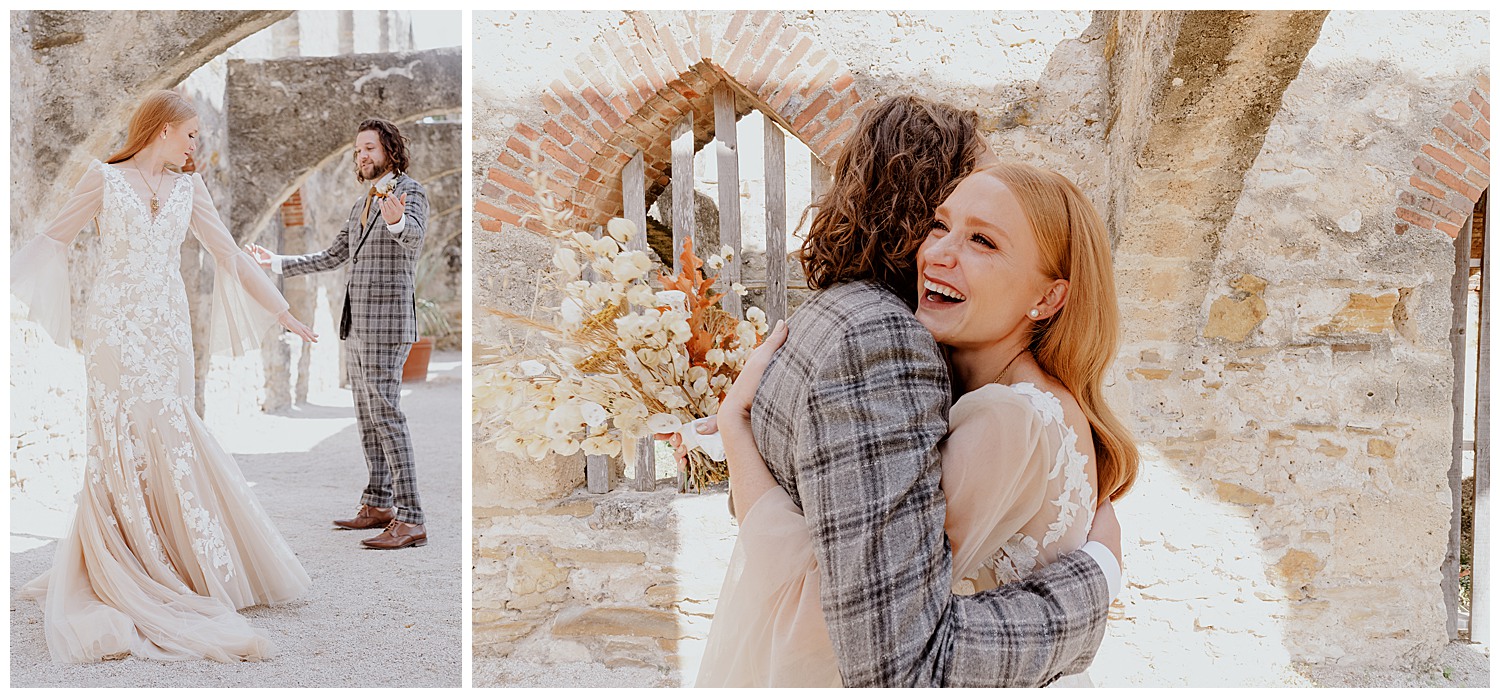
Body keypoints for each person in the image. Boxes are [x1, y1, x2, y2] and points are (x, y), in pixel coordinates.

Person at [693, 97, 1131, 687]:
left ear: (1050, 298)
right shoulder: (991, 394)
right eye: (940, 224)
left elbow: (850, 626)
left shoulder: (1006, 419)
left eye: (985, 241)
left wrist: (737, 436)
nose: (938, 253)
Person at [11, 90, 317, 663]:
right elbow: (54, 238)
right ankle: (121, 557)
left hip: (166, 329)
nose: (196, 144)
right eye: (191, 134)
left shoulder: (190, 189)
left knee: (173, 428)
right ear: (162, 130)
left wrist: (282, 311)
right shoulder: (102, 179)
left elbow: (230, 256)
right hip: (113, 328)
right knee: (119, 434)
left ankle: (176, 560)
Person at [245, 118, 429, 550]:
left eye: (370, 148)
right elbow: (333, 256)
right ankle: (378, 503)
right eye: (358, 150)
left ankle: (412, 518)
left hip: (387, 325)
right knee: (367, 421)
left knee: (387, 417)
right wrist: (275, 262)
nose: (362, 156)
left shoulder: (410, 191)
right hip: (358, 326)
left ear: (389, 149)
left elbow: (414, 238)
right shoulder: (359, 204)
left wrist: (399, 223)